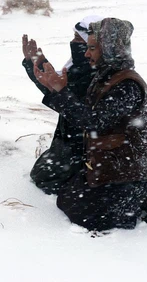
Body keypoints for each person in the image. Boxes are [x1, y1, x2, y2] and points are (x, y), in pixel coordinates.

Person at [33, 17, 147, 231]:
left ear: (110, 49)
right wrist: (57, 89)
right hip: (112, 164)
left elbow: (93, 122)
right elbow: (82, 113)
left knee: (83, 213)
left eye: (92, 48)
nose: (86, 54)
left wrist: (62, 92)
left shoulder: (126, 84)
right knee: (66, 195)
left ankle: (140, 199)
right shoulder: (107, 76)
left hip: (129, 171)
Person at [22, 15, 104, 194]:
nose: (73, 43)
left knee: (49, 178)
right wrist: (35, 63)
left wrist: (58, 89)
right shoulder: (80, 67)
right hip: (68, 139)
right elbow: (54, 86)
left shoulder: (97, 73)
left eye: (78, 39)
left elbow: (65, 95)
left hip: (83, 146)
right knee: (42, 173)